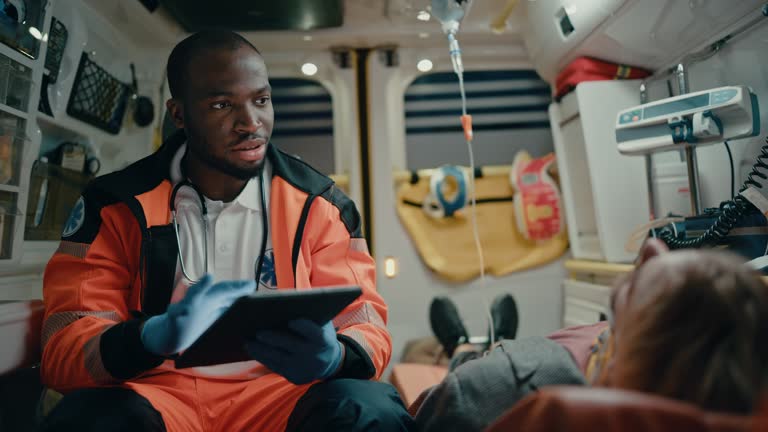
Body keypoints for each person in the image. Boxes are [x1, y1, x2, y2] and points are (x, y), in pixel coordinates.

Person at [38, 30, 413, 432]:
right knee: (88, 421)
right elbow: (64, 344)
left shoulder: (321, 204)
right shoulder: (115, 204)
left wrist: (335, 356)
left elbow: (366, 323)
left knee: (370, 410)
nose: (250, 123)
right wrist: (147, 337)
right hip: (162, 393)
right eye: (222, 104)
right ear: (179, 114)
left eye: (262, 100)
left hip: (280, 393)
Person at [414, 239, 768, 431]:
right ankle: (497, 337)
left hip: (498, 372)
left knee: (473, 365)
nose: (649, 254)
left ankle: (460, 344)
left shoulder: (496, 385)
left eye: (611, 331)